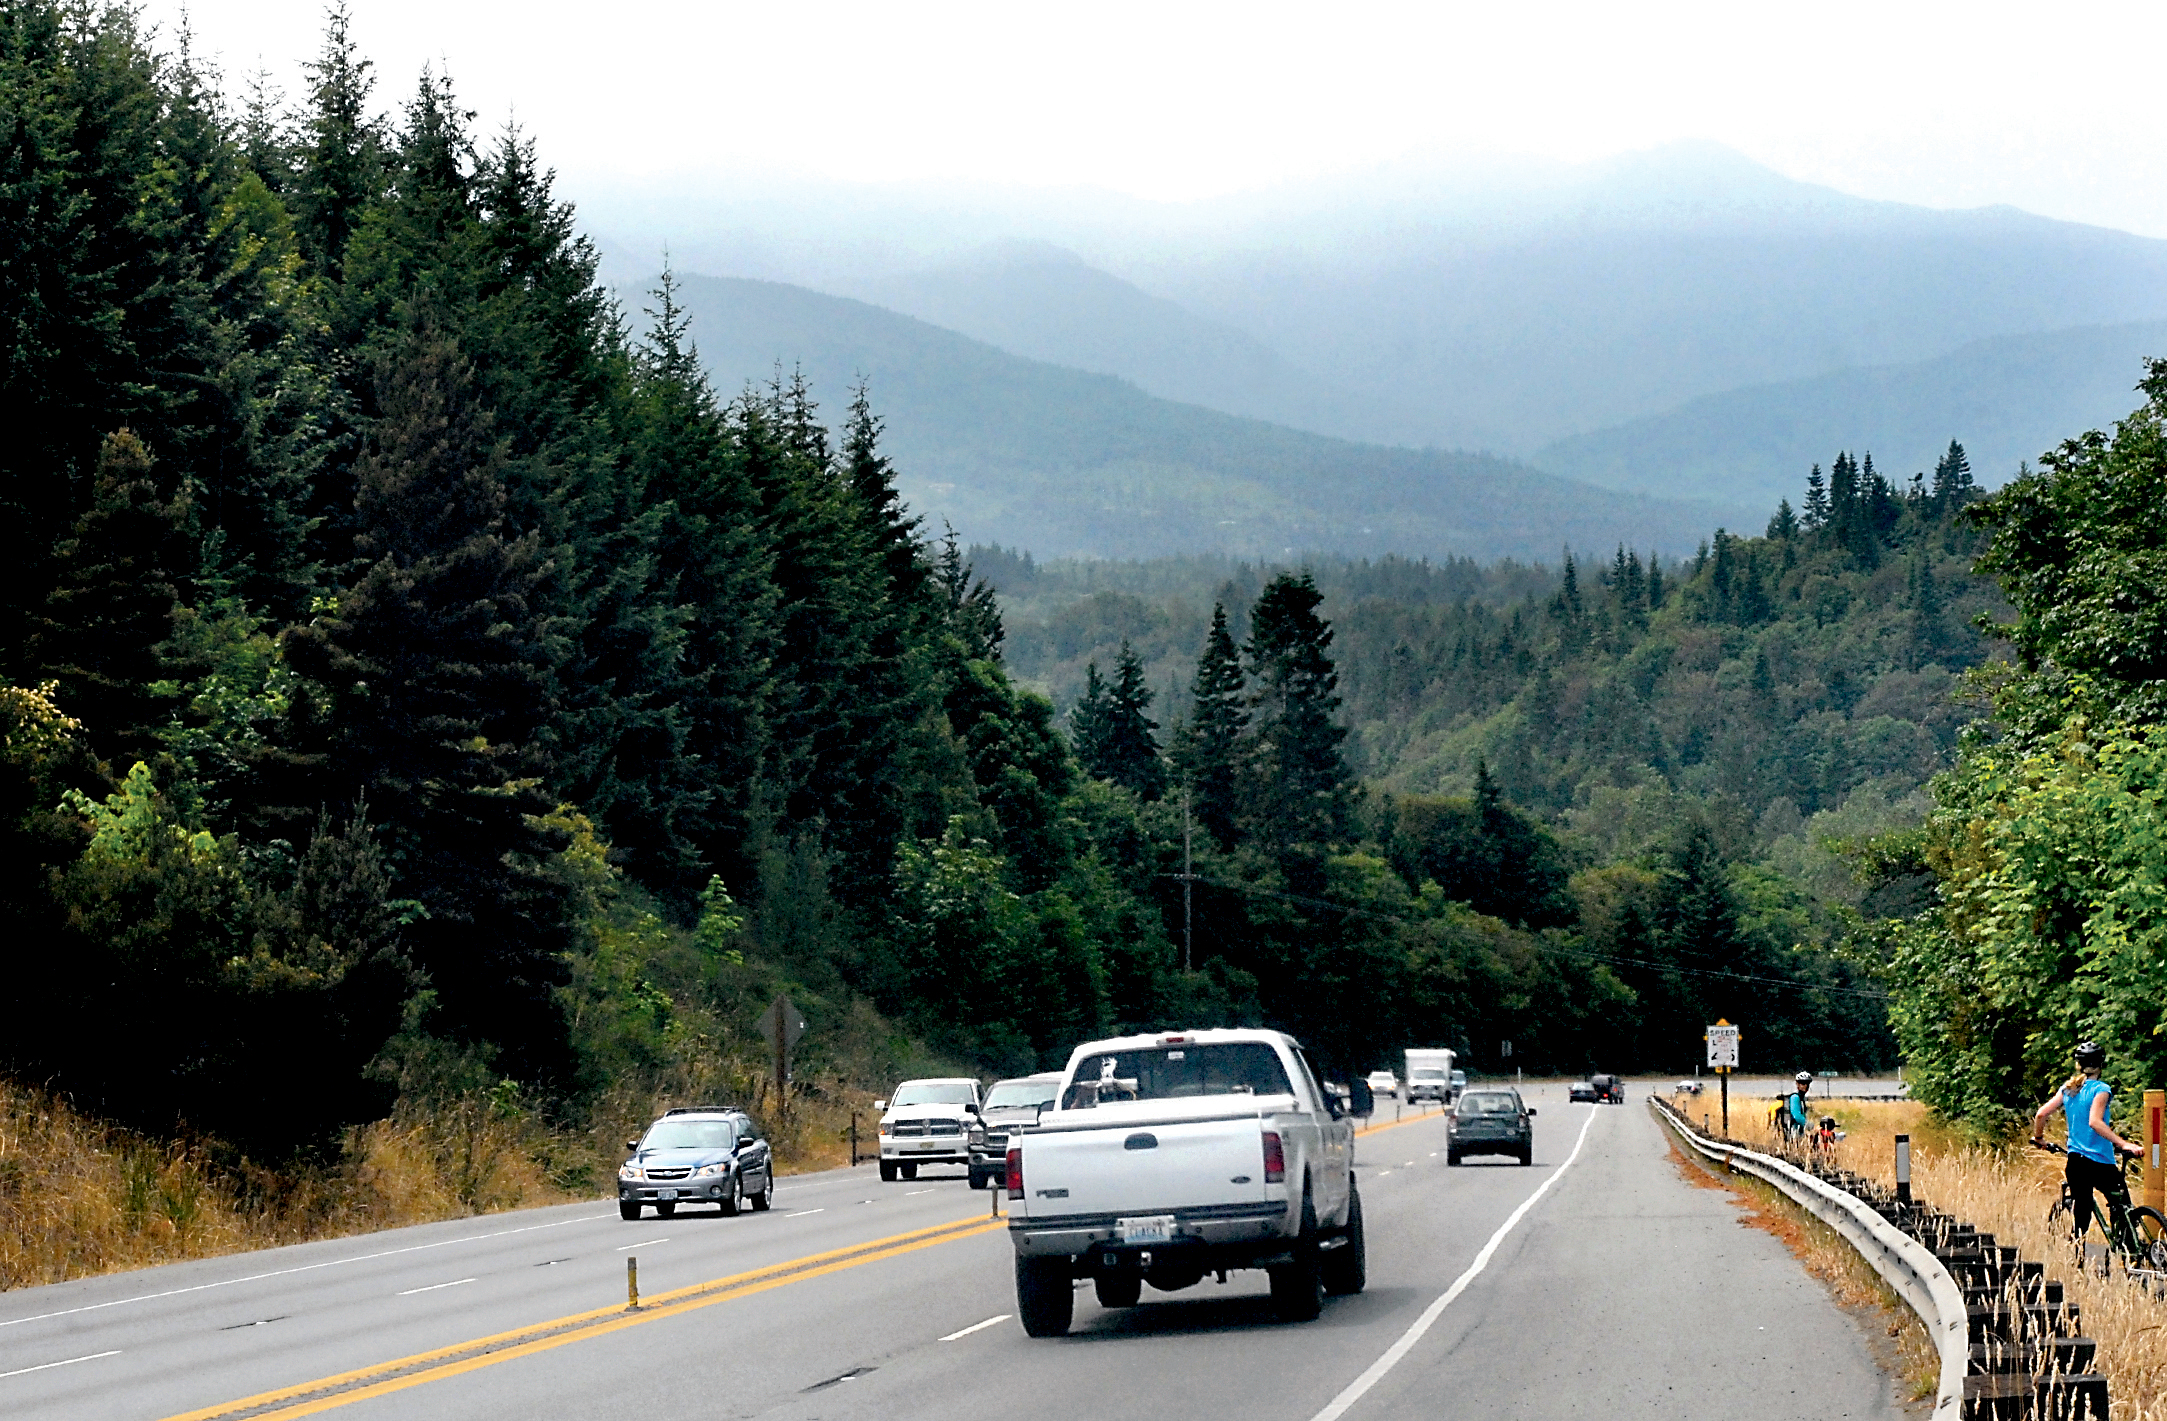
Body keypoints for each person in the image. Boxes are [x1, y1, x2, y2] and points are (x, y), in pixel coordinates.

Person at [2032, 1040, 2143, 1255]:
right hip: (2100, 1160)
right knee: (2121, 1204)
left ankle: (2078, 1258)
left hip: (2076, 1162)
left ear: (2078, 1065)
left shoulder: (2068, 1089)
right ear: (2101, 1064)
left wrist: (2039, 1138)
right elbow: (2095, 1121)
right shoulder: (2101, 1089)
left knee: (2081, 1211)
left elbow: (2041, 1114)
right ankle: (2129, 1252)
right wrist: (2123, 1144)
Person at [1779, 1070, 1813, 1142]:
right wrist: (1808, 1124)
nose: (1805, 1086)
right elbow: (1796, 1115)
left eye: (1807, 1084)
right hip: (1793, 1130)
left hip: (1799, 1130)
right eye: (1803, 1083)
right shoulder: (1795, 1097)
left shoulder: (1801, 1098)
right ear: (1797, 1084)